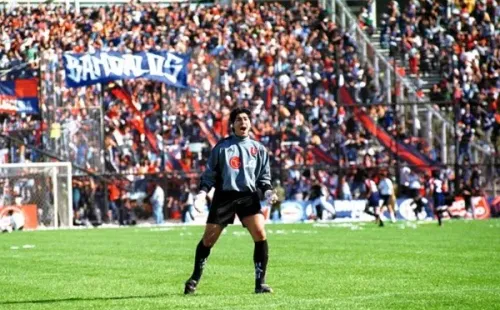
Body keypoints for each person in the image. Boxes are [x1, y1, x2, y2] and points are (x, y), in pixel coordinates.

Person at [184, 107, 278, 295]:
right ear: (233, 125)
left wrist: (267, 191)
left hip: (248, 196)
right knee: (209, 240)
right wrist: (202, 193)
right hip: (225, 196)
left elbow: (264, 178)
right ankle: (193, 279)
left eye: (245, 119)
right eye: (238, 120)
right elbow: (210, 174)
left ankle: (260, 284)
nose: (243, 122)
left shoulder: (259, 149)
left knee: (260, 233)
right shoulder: (222, 147)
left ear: (250, 123)